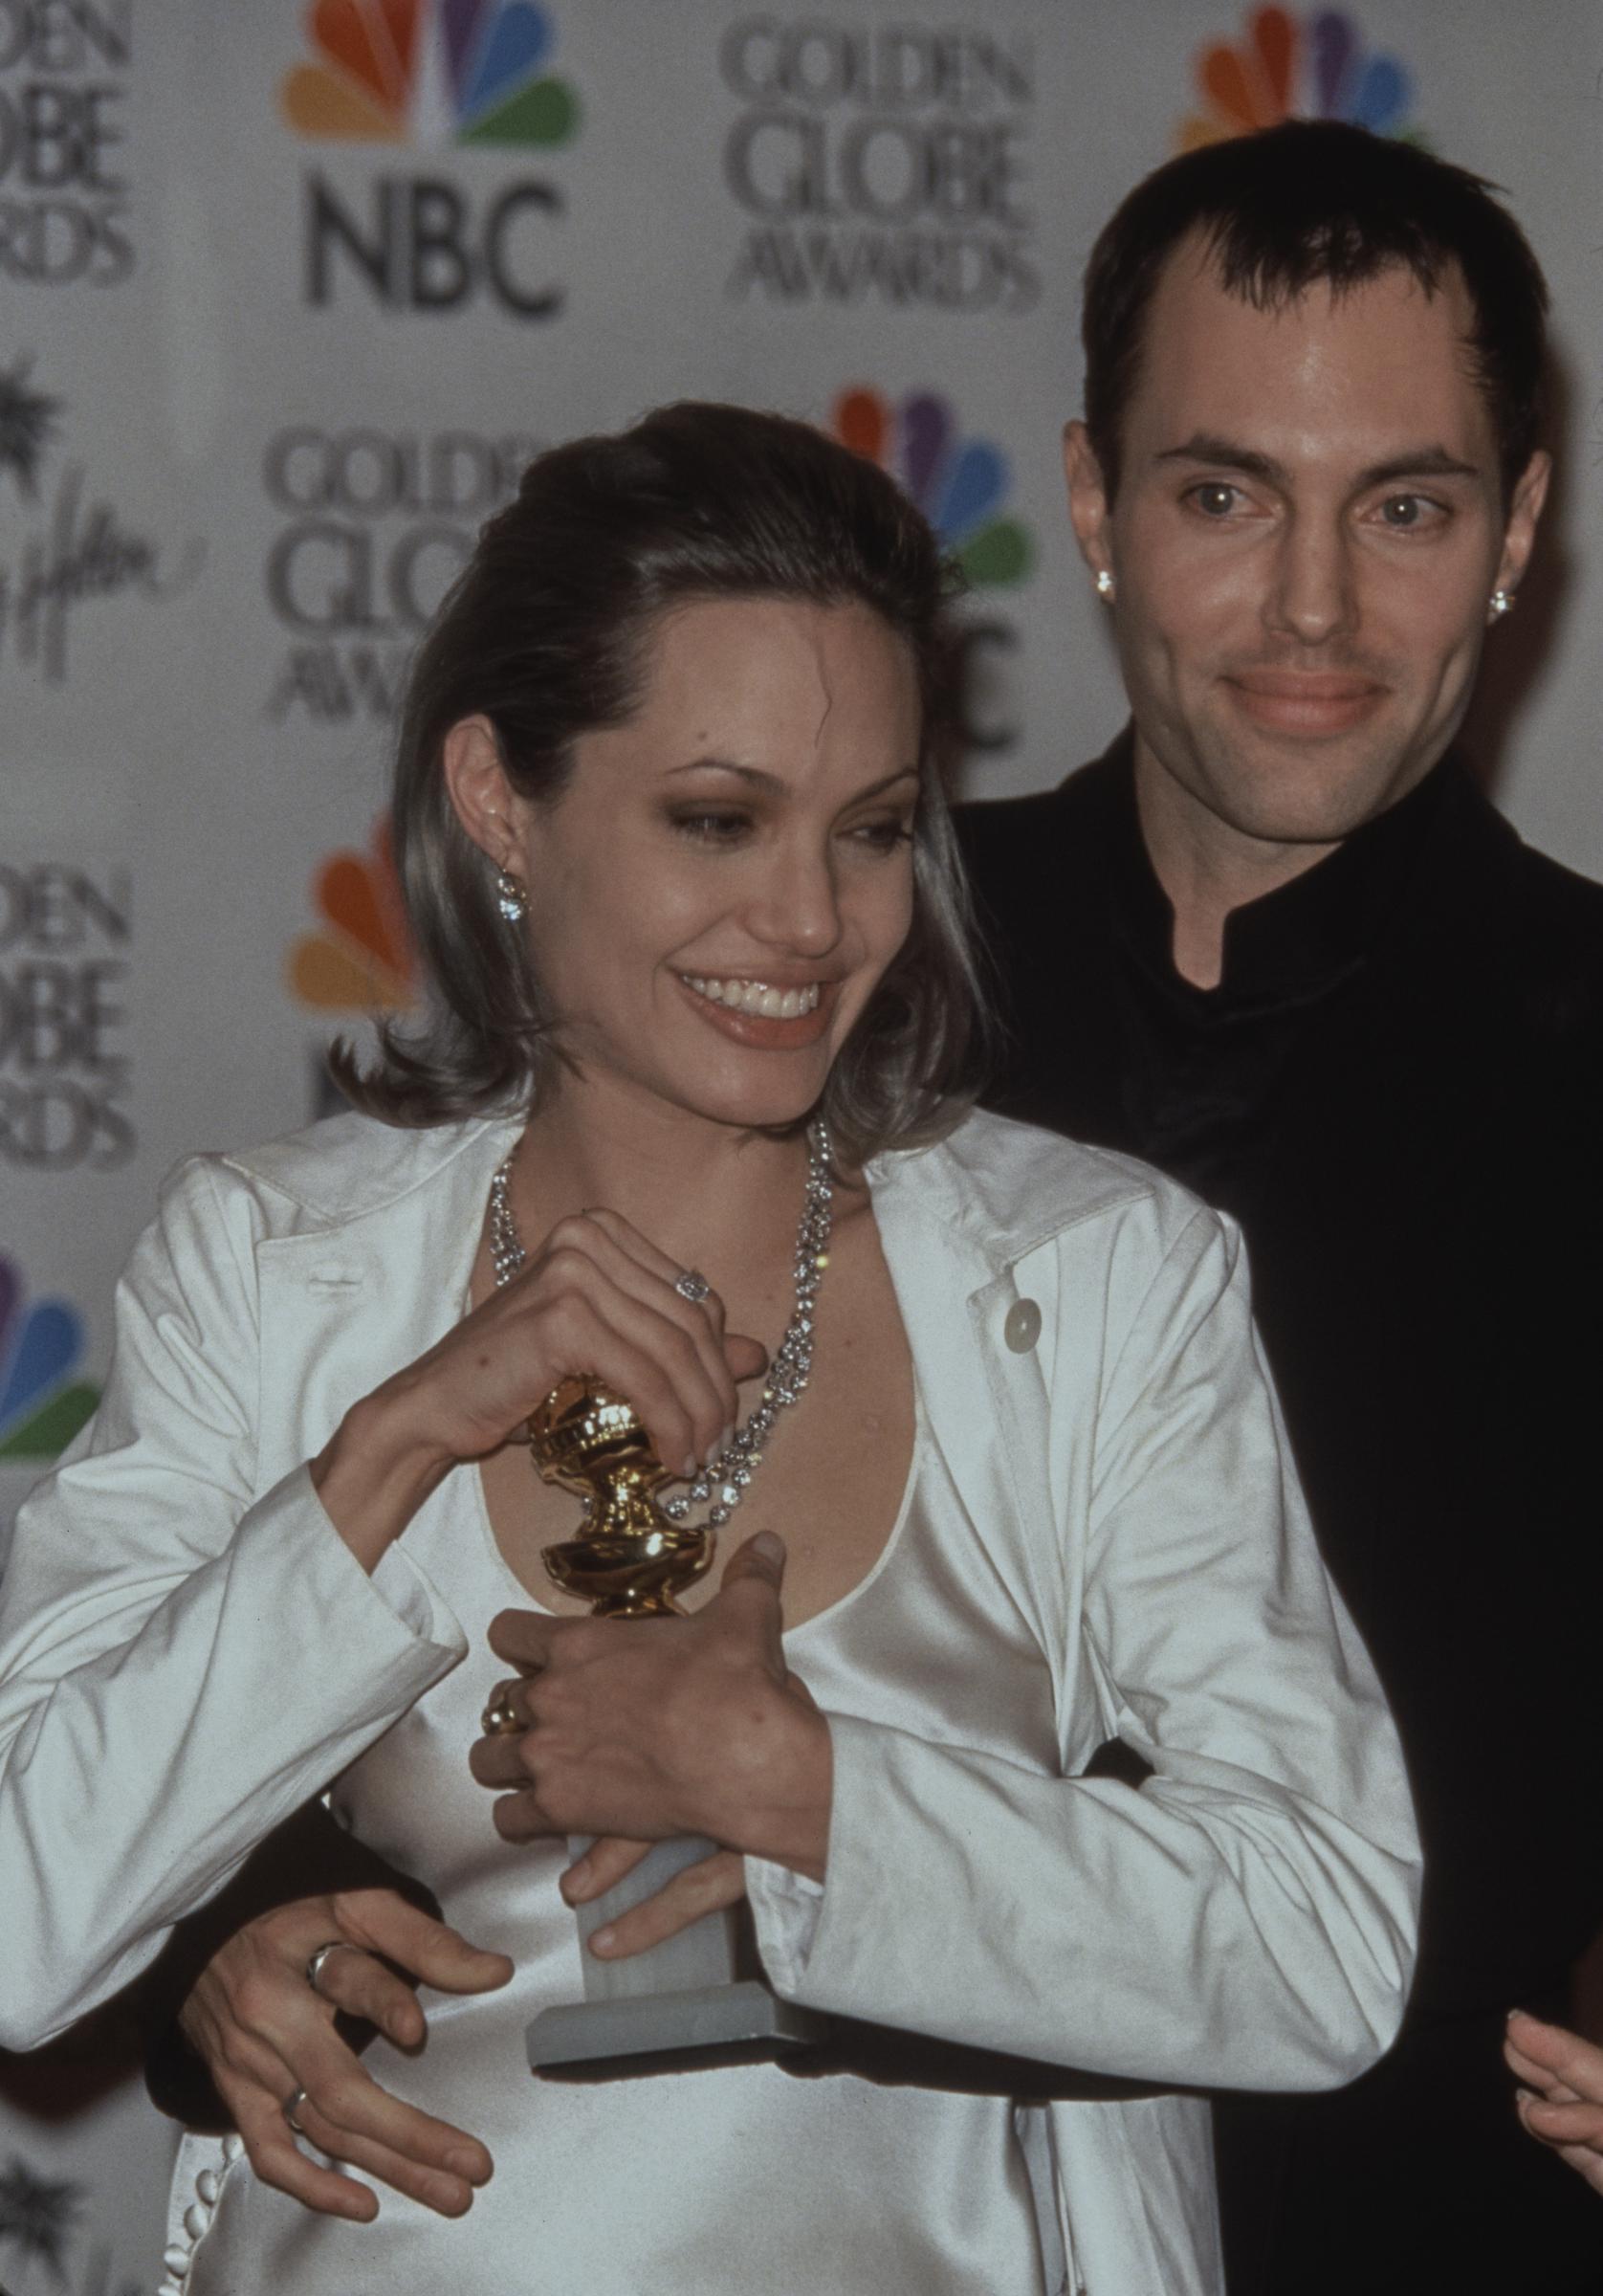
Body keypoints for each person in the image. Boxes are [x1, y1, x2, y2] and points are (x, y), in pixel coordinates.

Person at [0, 403, 1417, 2296]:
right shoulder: (278, 1266)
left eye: (875, 831)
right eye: (715, 820)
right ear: (501, 800)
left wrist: (811, 1792)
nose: (813, 924)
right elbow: (27, 1923)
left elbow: (1325, 1947)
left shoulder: (1093, 1281)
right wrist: (388, 1453)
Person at [955, 121, 1603, 2293]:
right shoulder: (816, 978)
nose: (1311, 609)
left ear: (1519, 530)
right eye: (1223, 495)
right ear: (1090, 504)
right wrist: (259, 1905)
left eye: (1402, 507)